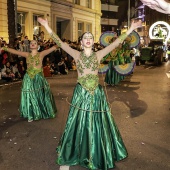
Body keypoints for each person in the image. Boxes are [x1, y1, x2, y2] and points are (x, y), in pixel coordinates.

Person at [38, 17, 142, 170]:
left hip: (96, 94)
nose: (88, 39)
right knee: (77, 123)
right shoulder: (75, 54)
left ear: (93, 42)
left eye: (90, 37)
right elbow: (59, 42)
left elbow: (115, 43)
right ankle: (74, 152)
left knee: (97, 123)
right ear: (81, 42)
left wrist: (131, 28)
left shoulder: (98, 55)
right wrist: (47, 26)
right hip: (81, 93)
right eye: (85, 37)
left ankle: (97, 152)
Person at [0, 40, 57, 122]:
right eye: (31, 43)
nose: (33, 44)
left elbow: (52, 48)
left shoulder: (41, 54)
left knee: (39, 94)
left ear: (38, 46)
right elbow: (15, 51)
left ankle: (40, 112)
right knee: (30, 95)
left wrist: (60, 44)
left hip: (38, 77)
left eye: (35, 43)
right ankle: (31, 113)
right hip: (28, 77)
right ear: (29, 46)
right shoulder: (27, 54)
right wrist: (4, 48)